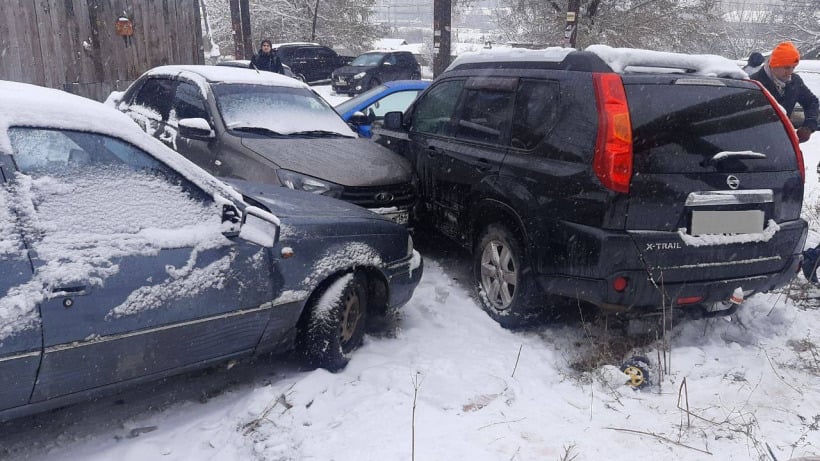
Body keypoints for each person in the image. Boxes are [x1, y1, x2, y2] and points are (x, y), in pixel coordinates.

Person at [749, 41, 818, 144]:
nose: (790, 72)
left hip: (783, 143)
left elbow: (812, 102)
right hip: (755, 143)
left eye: (793, 67)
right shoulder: (754, 84)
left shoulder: (795, 82)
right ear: (774, 65)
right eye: (786, 67)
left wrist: (808, 126)